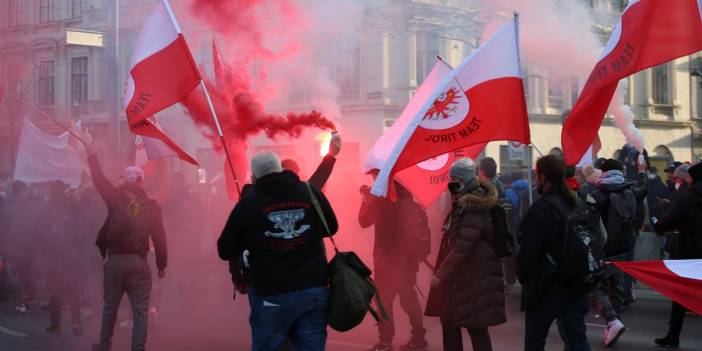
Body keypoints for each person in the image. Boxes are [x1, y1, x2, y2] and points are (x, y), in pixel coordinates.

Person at [218, 152, 338, 351]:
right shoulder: (308, 191)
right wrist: (304, 234)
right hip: (312, 290)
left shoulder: (248, 204)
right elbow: (331, 227)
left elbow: (225, 249)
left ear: (255, 177)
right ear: (280, 170)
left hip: (271, 295)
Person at [87, 149, 168, 351]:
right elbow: (160, 238)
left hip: (114, 262)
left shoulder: (114, 199)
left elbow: (99, 180)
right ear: (141, 181)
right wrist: (161, 265)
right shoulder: (152, 207)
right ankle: (138, 348)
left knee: (110, 308)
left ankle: (104, 345)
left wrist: (92, 157)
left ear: (123, 181)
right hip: (139, 263)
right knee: (140, 311)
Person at [425, 158, 505, 351]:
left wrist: (440, 274)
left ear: (462, 180)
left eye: (454, 178)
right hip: (464, 275)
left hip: (475, 274)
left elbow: (463, 245)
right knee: (450, 320)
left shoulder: (474, 203)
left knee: (475, 327)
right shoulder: (464, 200)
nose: (450, 182)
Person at [518, 155, 591, 351]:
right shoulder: (577, 203)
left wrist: (523, 277)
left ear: (543, 178)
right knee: (577, 340)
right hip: (576, 282)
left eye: (536, 176)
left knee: (535, 342)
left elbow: (529, 251)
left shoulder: (542, 208)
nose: (535, 180)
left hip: (546, 284)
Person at [359, 181, 430, 351]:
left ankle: (385, 341)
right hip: (409, 262)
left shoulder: (381, 203)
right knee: (409, 299)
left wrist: (366, 199)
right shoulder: (415, 207)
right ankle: (419, 338)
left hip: (386, 263)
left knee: (384, 301)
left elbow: (363, 221)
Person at [590, 158, 646, 347]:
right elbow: (644, 190)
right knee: (617, 290)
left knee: (595, 288)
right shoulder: (629, 191)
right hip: (623, 250)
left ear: (603, 172)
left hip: (605, 251)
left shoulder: (599, 195)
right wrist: (642, 172)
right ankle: (614, 326)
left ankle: (612, 321)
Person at [652, 162, 702, 348]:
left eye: (690, 176)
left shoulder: (690, 198)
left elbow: (673, 219)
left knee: (682, 296)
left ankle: (673, 336)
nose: (687, 179)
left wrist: (658, 225)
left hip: (689, 253)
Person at [43, 180, 83, 336]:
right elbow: (81, 230)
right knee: (73, 292)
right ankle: (76, 323)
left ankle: (56, 324)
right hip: (71, 257)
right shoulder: (73, 206)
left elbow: (38, 231)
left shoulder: (47, 207)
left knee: (55, 291)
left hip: (55, 257)